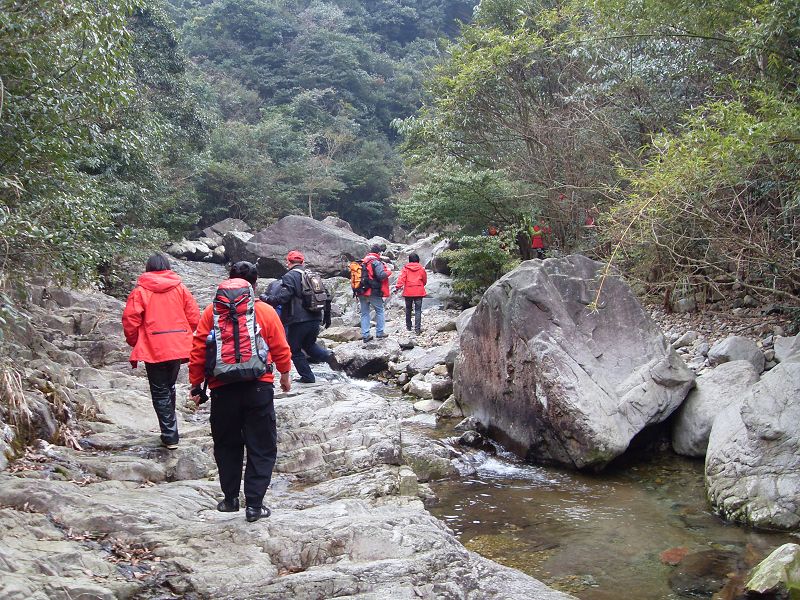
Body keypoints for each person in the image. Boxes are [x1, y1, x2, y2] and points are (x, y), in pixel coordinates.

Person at [188, 261, 292, 523]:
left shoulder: (212, 312)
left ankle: (230, 499)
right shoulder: (265, 311)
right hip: (259, 386)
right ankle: (254, 505)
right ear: (255, 285)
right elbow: (280, 346)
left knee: (226, 444)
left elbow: (199, 350)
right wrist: (285, 375)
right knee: (262, 445)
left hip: (222, 389)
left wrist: (196, 384)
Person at [122, 253, 200, 450]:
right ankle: (171, 430)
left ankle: (169, 435)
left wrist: (135, 341)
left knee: (159, 390)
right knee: (169, 386)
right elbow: (194, 316)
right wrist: (187, 336)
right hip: (177, 343)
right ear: (167, 266)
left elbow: (130, 320)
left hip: (153, 345)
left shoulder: (141, 291)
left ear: (148, 267)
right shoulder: (180, 288)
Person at [260, 251, 337, 384]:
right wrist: (327, 315)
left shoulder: (289, 276)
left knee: (294, 349)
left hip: (298, 320)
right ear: (303, 262)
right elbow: (327, 295)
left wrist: (266, 299)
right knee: (309, 344)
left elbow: (283, 298)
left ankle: (307, 377)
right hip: (315, 317)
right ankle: (328, 356)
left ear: (288, 263)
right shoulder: (313, 275)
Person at [359, 244, 391, 342]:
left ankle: (365, 335)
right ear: (379, 253)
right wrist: (389, 271)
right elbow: (381, 276)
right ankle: (380, 332)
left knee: (364, 313)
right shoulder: (376, 262)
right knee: (380, 310)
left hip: (361, 291)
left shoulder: (362, 261)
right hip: (373, 291)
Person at [394, 253, 427, 334]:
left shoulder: (405, 269)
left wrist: (397, 287)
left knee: (408, 309)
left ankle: (408, 327)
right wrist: (421, 285)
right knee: (418, 310)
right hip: (419, 291)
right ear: (418, 260)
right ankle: (417, 329)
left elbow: (401, 279)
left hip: (408, 291)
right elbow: (424, 280)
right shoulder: (421, 269)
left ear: (409, 260)